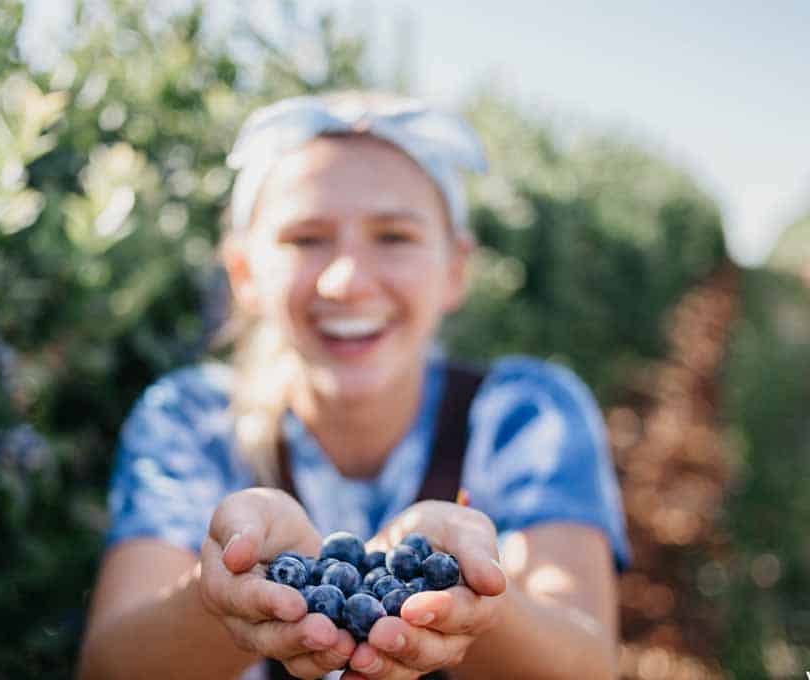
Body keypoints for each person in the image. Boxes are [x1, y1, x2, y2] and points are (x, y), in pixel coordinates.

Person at [76, 91, 632, 680]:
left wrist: (484, 607)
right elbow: (110, 667)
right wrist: (221, 599)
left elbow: (588, 665)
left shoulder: (527, 416)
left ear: (455, 270)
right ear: (244, 273)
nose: (347, 280)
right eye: (306, 238)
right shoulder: (190, 420)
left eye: (394, 236)